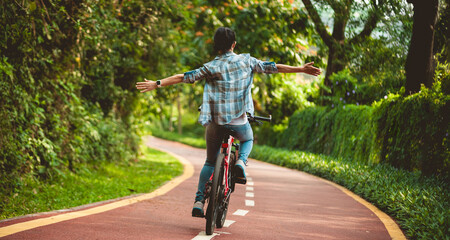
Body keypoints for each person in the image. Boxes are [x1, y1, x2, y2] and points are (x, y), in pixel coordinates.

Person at [136, 27, 321, 217]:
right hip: (239, 121)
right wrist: (301, 69)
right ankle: (241, 161)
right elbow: (273, 67)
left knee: (209, 161)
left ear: (216, 47)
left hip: (216, 123)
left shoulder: (210, 67)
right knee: (247, 140)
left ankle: (199, 200)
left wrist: (156, 83)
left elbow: (183, 77)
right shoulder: (247, 61)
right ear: (234, 44)